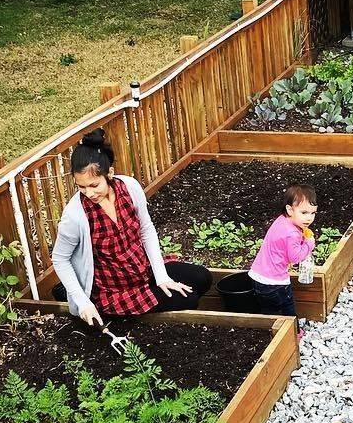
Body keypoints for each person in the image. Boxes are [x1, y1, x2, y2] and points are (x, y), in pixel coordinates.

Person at [51, 129, 211, 326]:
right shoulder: (75, 215)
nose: (89, 193)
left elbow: (146, 229)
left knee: (202, 277)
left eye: (94, 185)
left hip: (143, 271)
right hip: (113, 288)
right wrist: (83, 302)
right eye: (81, 187)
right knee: (188, 298)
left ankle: (150, 290)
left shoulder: (130, 188)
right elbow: (60, 259)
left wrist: (162, 277)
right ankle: (74, 295)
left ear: (109, 173)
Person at [248, 184, 318, 317]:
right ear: (290, 210)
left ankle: (269, 330)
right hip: (275, 282)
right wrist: (309, 244)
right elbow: (295, 257)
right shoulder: (292, 234)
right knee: (287, 306)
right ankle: (294, 333)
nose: (309, 218)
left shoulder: (282, 220)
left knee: (269, 310)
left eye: (313, 213)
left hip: (258, 276)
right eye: (304, 213)